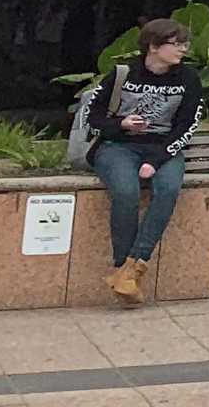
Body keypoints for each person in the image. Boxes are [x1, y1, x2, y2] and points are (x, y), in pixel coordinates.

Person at [81, 17, 202, 306]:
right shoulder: (123, 73)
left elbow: (187, 126)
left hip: (163, 149)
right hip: (118, 146)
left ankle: (134, 266)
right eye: (176, 44)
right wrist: (121, 124)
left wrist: (157, 160)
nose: (183, 50)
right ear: (154, 46)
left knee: (168, 190)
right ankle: (124, 267)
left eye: (185, 44)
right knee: (126, 192)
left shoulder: (188, 79)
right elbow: (92, 117)